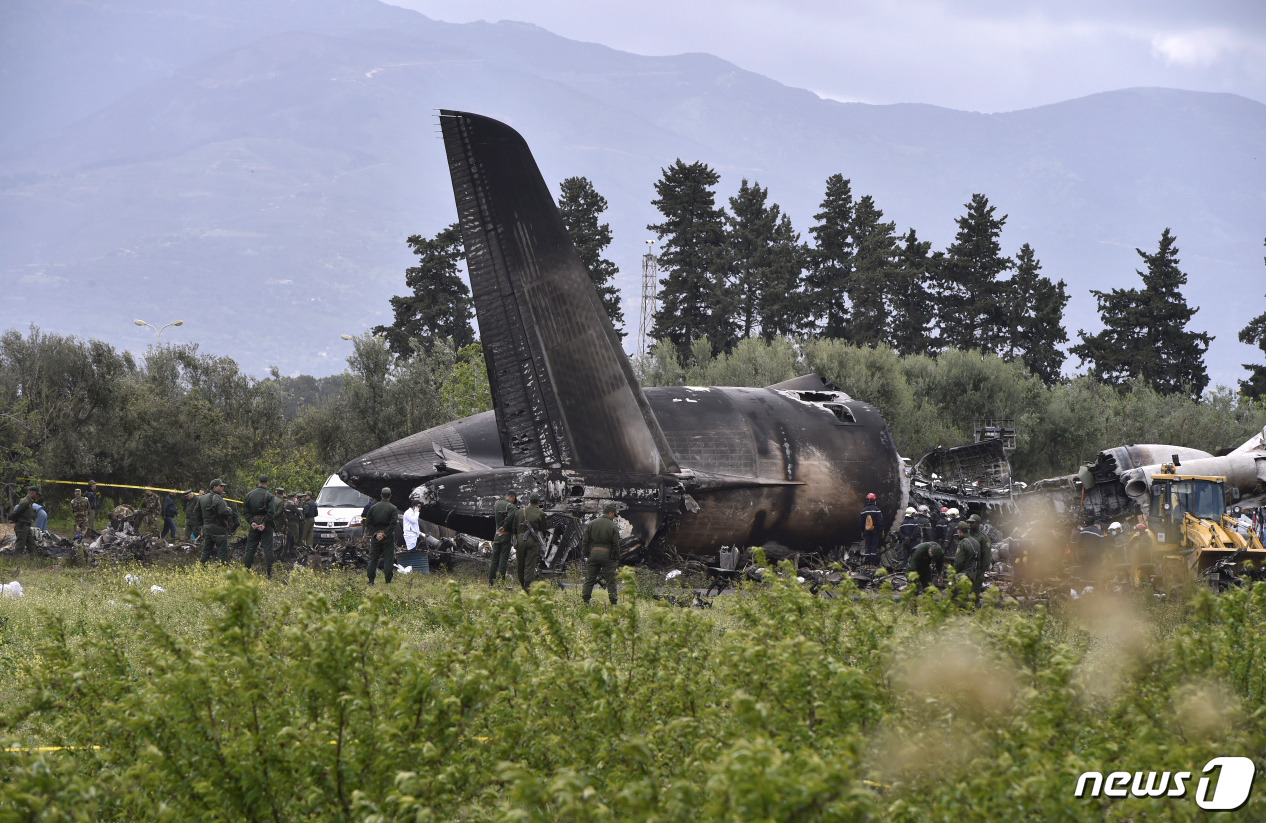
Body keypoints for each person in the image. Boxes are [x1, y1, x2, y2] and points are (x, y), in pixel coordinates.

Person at [582, 503, 621, 605]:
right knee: (611, 580)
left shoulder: (592, 524)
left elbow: (585, 541)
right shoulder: (613, 526)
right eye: (614, 515)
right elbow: (616, 544)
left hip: (593, 554)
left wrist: (587, 554)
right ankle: (613, 602)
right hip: (607, 555)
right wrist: (616, 557)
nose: (614, 517)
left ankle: (585, 600)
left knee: (589, 579)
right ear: (611, 513)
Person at [241, 475, 280, 577]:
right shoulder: (270, 495)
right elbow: (271, 511)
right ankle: (270, 573)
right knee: (268, 548)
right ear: (267, 482)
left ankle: (246, 571)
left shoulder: (249, 495)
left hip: (254, 523)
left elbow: (245, 511)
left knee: (250, 548)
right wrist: (265, 523)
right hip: (265, 525)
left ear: (258, 482)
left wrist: (251, 522)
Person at [512, 492, 548, 591]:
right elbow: (544, 528)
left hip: (520, 540)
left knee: (520, 564)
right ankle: (527, 586)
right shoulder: (540, 513)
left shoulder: (519, 512)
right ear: (538, 502)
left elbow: (514, 528)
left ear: (530, 501)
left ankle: (522, 583)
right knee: (530, 565)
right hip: (532, 540)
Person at [197, 479, 236, 564]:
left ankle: (202, 567)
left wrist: (203, 524)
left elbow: (197, 512)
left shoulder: (202, 498)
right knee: (223, 553)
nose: (223, 488)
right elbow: (224, 512)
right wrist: (230, 511)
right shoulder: (218, 497)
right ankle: (223, 571)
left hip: (207, 529)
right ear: (214, 487)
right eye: (221, 486)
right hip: (219, 530)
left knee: (206, 551)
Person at [365, 487, 399, 586]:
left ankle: (371, 581)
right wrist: (385, 534)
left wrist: (376, 534)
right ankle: (388, 581)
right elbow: (393, 524)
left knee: (373, 559)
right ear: (390, 496)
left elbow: (368, 523)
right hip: (387, 538)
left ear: (381, 495)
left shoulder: (373, 508)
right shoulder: (393, 508)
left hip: (376, 538)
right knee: (388, 559)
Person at [489, 490, 518, 586]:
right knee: (503, 560)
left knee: (494, 560)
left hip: (496, 535)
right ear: (513, 497)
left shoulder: (497, 503)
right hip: (506, 536)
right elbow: (510, 519)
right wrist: (505, 527)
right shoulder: (512, 507)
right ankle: (501, 583)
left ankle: (491, 582)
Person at [952, 521, 983, 600]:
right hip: (973, 573)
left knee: (959, 597)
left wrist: (954, 572)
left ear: (960, 531)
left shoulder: (962, 543)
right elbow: (979, 559)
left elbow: (959, 562)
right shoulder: (976, 542)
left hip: (963, 574)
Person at [401, 499, 430, 574]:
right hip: (409, 534)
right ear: (414, 506)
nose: (419, 509)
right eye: (418, 507)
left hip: (413, 534)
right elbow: (414, 520)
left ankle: (413, 568)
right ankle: (412, 568)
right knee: (412, 551)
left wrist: (420, 533)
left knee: (414, 550)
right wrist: (417, 512)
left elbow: (415, 525)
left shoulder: (413, 513)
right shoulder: (408, 513)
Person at [9, 487, 40, 552]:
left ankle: (34, 560)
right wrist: (12, 518)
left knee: (32, 546)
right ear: (32, 492)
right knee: (20, 547)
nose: (38, 496)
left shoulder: (29, 502)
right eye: (37, 494)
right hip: (22, 526)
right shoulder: (25, 501)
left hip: (26, 527)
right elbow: (17, 512)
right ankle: (16, 560)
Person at [859, 492, 884, 564]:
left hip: (867, 531)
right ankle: (872, 563)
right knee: (874, 547)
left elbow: (861, 522)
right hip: (875, 531)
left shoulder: (864, 511)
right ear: (874, 500)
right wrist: (881, 531)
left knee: (867, 546)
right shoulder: (877, 510)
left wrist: (862, 531)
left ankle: (867, 562)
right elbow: (880, 522)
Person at [968, 513, 993, 578]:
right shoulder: (967, 535)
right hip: (966, 568)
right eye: (969, 522)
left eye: (972, 523)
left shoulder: (983, 538)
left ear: (978, 523)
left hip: (977, 569)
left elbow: (986, 555)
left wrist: (983, 570)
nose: (969, 524)